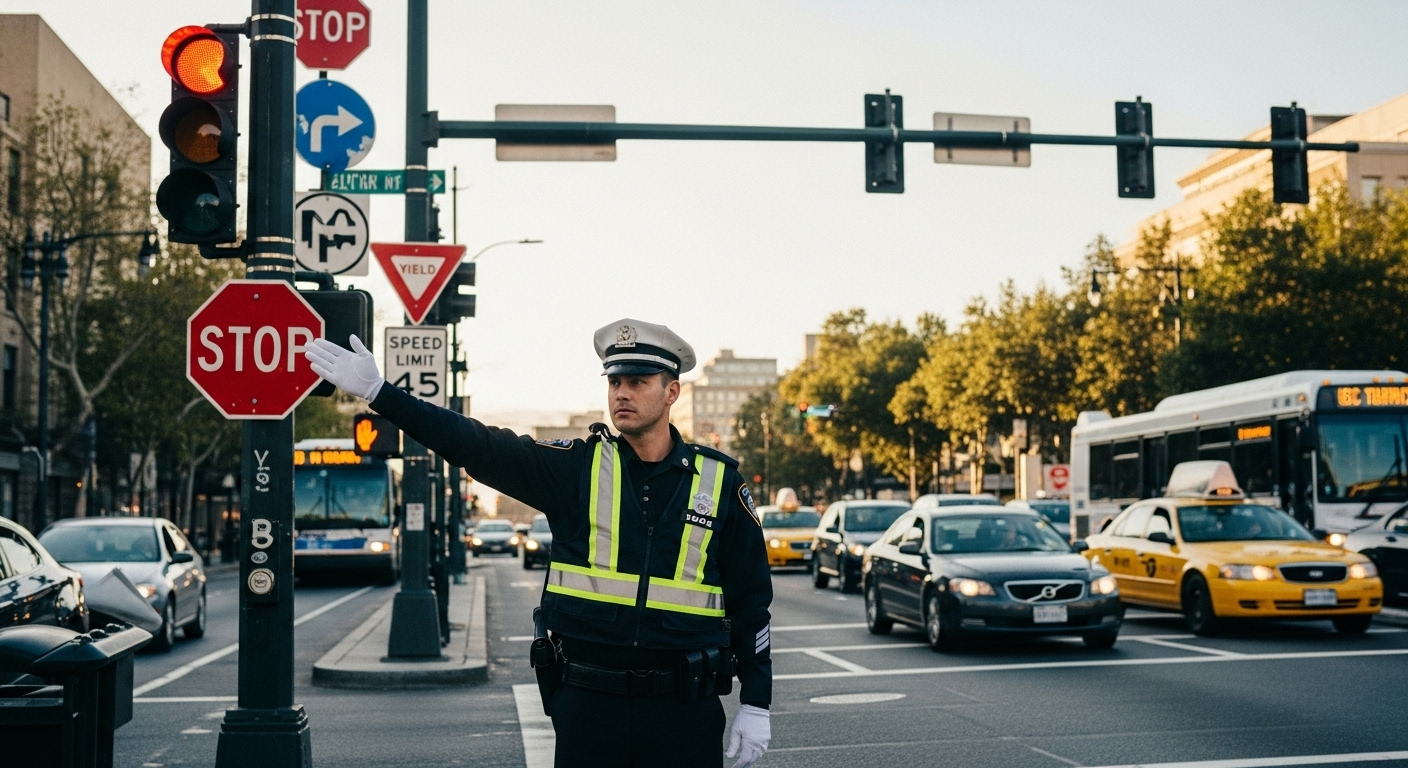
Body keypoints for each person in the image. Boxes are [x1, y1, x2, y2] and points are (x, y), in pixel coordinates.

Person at [306, 319, 773, 768]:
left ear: (672, 391)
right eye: (614, 382)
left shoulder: (719, 483)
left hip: (684, 713)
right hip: (590, 709)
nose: (621, 393)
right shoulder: (575, 468)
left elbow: (751, 601)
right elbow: (477, 444)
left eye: (637, 381)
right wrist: (381, 394)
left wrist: (756, 703)